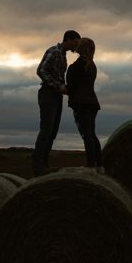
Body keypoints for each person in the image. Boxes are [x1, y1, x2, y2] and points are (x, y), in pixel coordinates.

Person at [32, 29, 81, 176]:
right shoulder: (53, 51)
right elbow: (41, 70)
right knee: (46, 130)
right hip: (48, 93)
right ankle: (38, 166)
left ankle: (44, 165)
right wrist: (58, 86)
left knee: (52, 132)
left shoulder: (63, 55)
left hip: (55, 95)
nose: (77, 47)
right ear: (69, 40)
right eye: (76, 43)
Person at [66, 37, 102, 170]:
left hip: (82, 104)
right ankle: (100, 165)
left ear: (80, 48)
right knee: (92, 134)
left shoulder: (75, 67)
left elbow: (70, 88)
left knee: (87, 135)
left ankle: (91, 166)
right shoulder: (92, 66)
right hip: (92, 103)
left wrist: (58, 87)